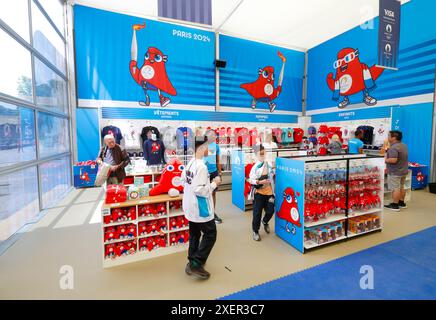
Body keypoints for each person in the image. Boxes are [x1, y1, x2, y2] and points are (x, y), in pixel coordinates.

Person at [181, 136, 221, 280]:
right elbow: (200, 190)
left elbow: (182, 180)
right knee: (211, 234)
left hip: (190, 206)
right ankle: (196, 263)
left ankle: (192, 259)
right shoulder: (202, 166)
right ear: (202, 148)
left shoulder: (190, 163)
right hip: (200, 208)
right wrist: (215, 183)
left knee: (195, 233)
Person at [248, 144, 275, 241]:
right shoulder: (255, 167)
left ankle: (265, 221)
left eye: (264, 153)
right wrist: (259, 182)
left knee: (271, 210)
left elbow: (273, 175)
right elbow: (250, 180)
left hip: (269, 192)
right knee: (257, 213)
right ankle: (255, 231)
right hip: (259, 193)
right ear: (256, 154)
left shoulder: (269, 164)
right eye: (261, 154)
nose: (263, 155)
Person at [384, 130, 409, 212]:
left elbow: (393, 160)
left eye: (389, 136)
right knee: (401, 186)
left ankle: (395, 205)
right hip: (403, 170)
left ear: (393, 138)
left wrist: (385, 159)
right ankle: (401, 202)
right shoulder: (404, 145)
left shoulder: (394, 147)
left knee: (395, 188)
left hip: (395, 172)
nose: (388, 137)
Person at [204, 129, 223, 224]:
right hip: (203, 173)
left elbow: (218, 160)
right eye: (212, 135)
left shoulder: (216, 146)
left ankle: (212, 213)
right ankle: (205, 213)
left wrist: (219, 173)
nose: (214, 136)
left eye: (214, 135)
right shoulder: (202, 146)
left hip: (214, 172)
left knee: (213, 193)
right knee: (203, 193)